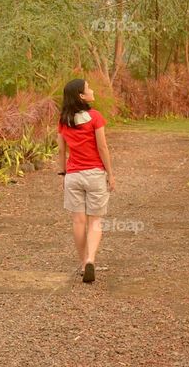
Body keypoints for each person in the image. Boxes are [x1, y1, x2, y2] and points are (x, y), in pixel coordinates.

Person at [56, 78, 115, 283]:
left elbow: (62, 151)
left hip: (73, 176)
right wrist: (110, 173)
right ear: (82, 96)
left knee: (78, 221)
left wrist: (63, 174)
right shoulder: (95, 117)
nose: (92, 90)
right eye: (88, 88)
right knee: (95, 220)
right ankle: (91, 259)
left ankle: (83, 264)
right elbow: (103, 147)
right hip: (95, 175)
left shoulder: (64, 121)